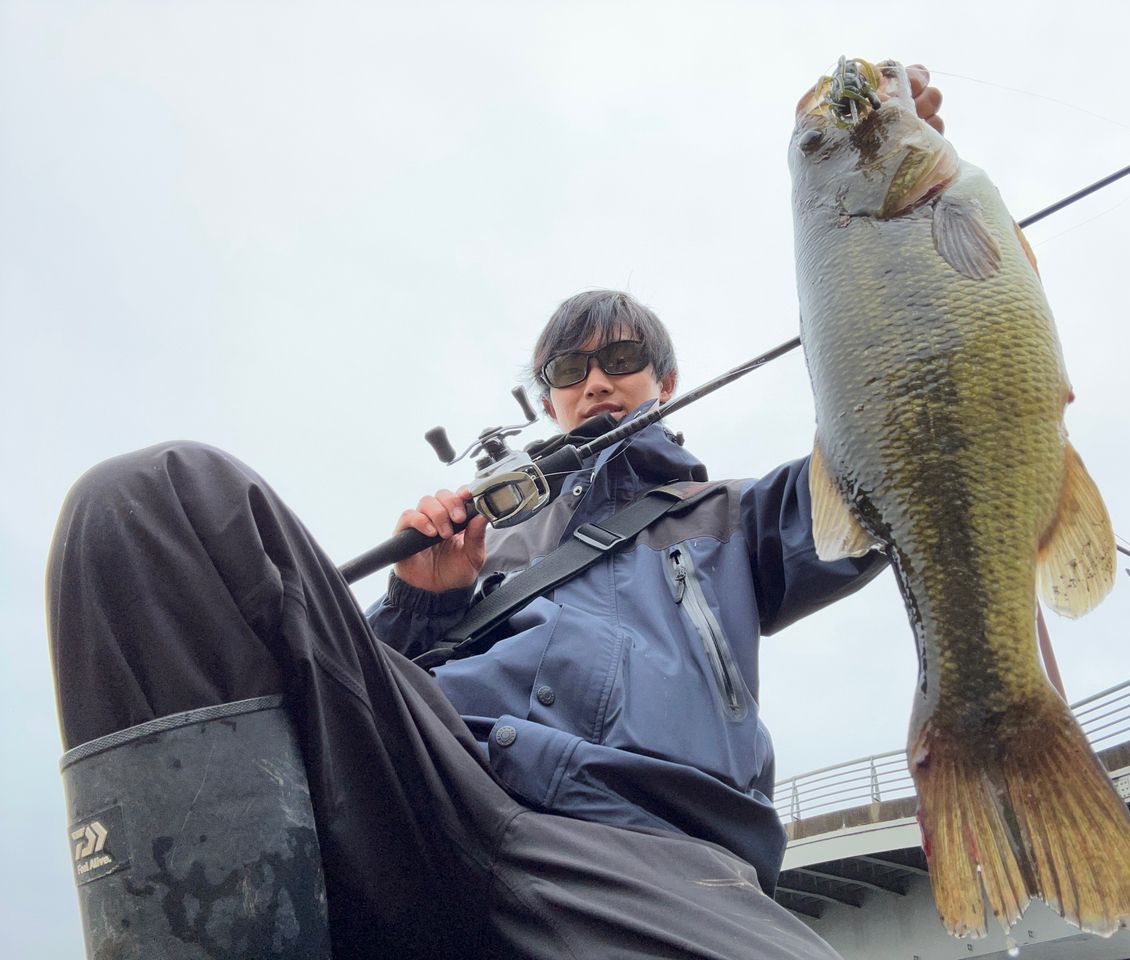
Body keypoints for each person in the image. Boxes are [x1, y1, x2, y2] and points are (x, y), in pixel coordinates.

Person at [49, 71, 944, 960]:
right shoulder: (488, 531)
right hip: (435, 786)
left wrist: (900, 196)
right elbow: (356, 699)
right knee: (142, 502)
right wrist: (422, 602)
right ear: (548, 397)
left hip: (649, 850)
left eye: (623, 359)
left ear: (665, 382)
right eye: (569, 370)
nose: (596, 381)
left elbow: (903, 446)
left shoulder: (738, 517)